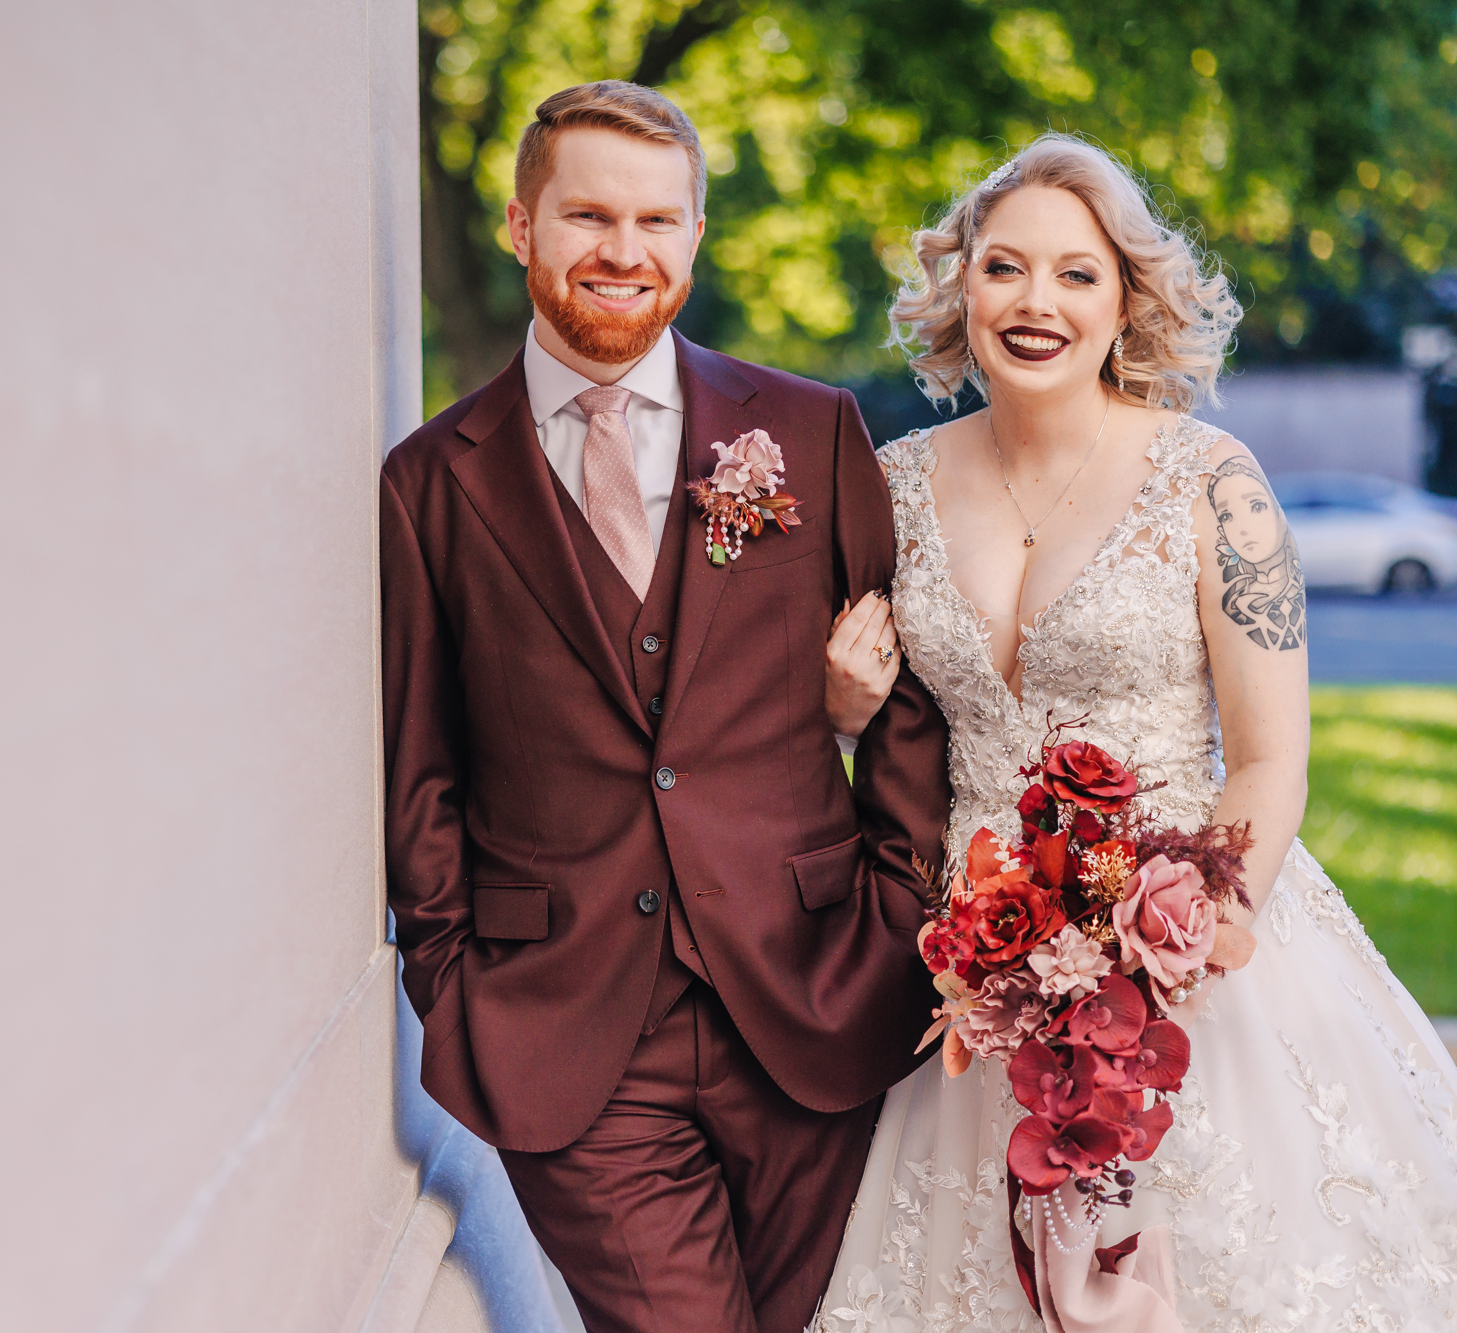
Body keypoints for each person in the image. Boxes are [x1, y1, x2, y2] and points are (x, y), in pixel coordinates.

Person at [814, 134, 1457, 1333]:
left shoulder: (1211, 483)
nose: (1035, 302)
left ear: (1127, 299)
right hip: (975, 962)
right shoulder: (890, 482)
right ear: (962, 287)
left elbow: (1268, 757)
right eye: (1004, 268)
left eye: (1075, 273)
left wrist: (1174, 952)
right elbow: (871, 718)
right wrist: (837, 715)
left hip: (1182, 949)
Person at [380, 81, 949, 1332]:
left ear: (695, 235)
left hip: (810, 996)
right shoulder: (429, 483)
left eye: (656, 219)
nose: (622, 251)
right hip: (565, 1027)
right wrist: (450, 978)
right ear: (522, 227)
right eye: (586, 214)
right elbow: (417, 763)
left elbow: (905, 699)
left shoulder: (808, 432)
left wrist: (898, 914)